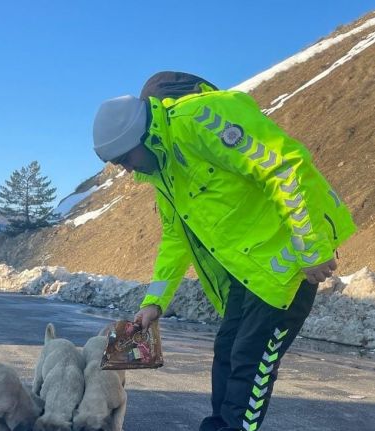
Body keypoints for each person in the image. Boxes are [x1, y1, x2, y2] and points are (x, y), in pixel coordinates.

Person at [92, 72, 356, 431]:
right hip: (245, 273)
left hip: (286, 265)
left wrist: (311, 247)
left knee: (250, 363)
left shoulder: (202, 119)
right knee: (227, 355)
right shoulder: (164, 170)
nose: (127, 169)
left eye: (125, 159)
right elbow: (174, 236)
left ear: (141, 136)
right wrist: (154, 302)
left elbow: (283, 167)